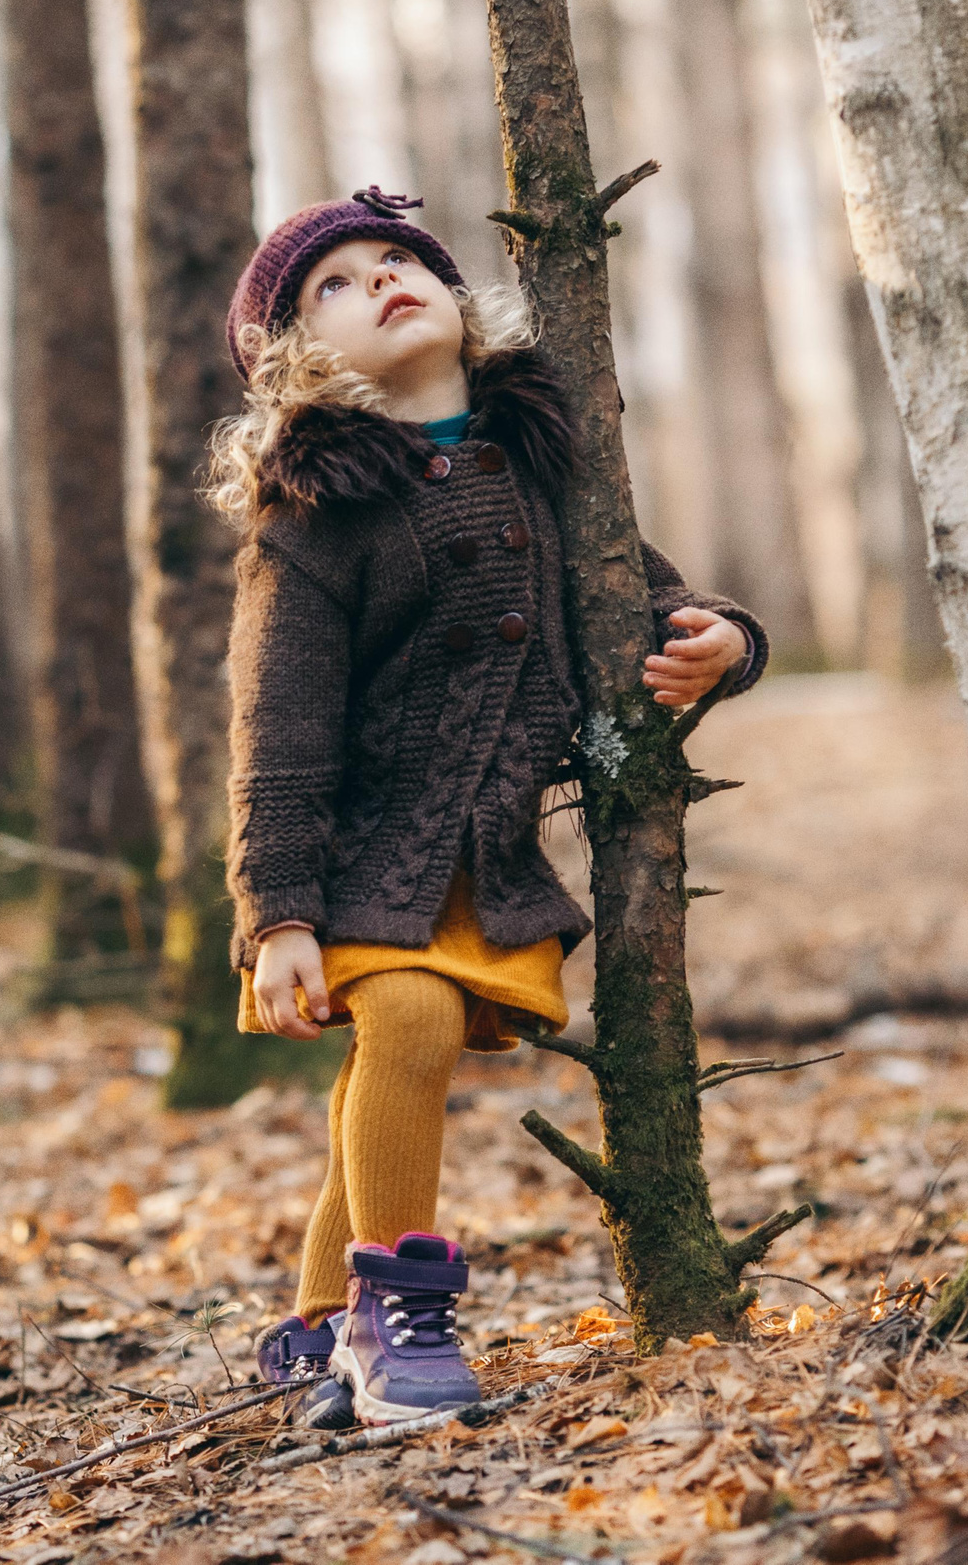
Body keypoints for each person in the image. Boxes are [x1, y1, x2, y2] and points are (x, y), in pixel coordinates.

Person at [212, 189, 767, 1428]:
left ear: (457, 301)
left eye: (398, 258)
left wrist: (725, 641)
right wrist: (278, 914)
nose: (383, 280)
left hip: (486, 861)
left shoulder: (544, 461)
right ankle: (397, 1319)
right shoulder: (317, 518)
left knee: (388, 1074)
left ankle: (314, 1328)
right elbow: (277, 738)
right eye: (337, 286)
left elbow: (654, 599)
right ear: (300, 360)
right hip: (355, 860)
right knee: (404, 1023)